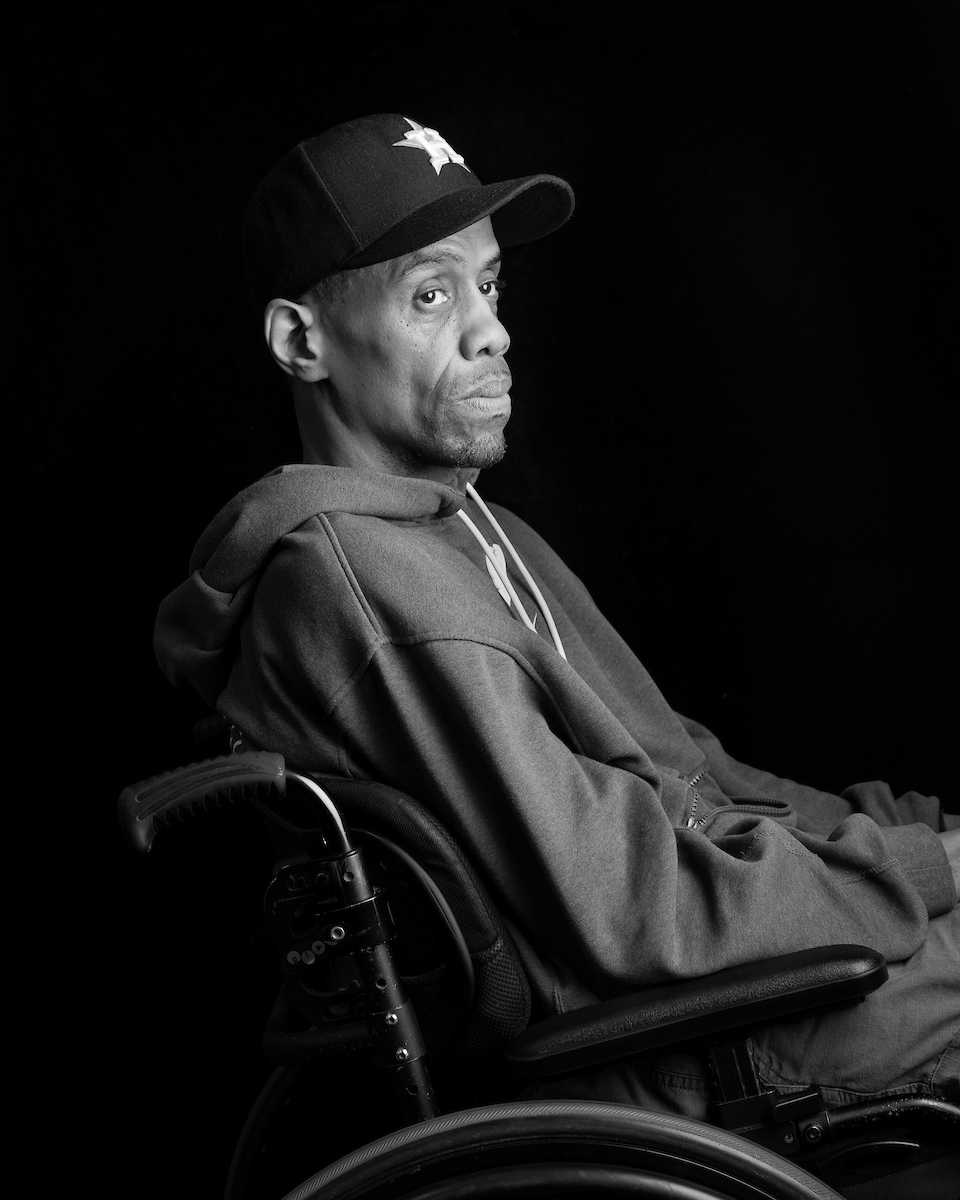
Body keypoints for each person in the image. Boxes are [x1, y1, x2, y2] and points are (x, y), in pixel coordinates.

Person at [155, 113, 959, 1119]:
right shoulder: (358, 583)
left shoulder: (473, 536)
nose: (490, 328)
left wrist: (891, 834)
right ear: (302, 341)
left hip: (729, 975)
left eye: (487, 285)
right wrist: (922, 871)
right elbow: (634, 909)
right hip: (671, 1043)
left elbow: (690, 775)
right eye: (431, 293)